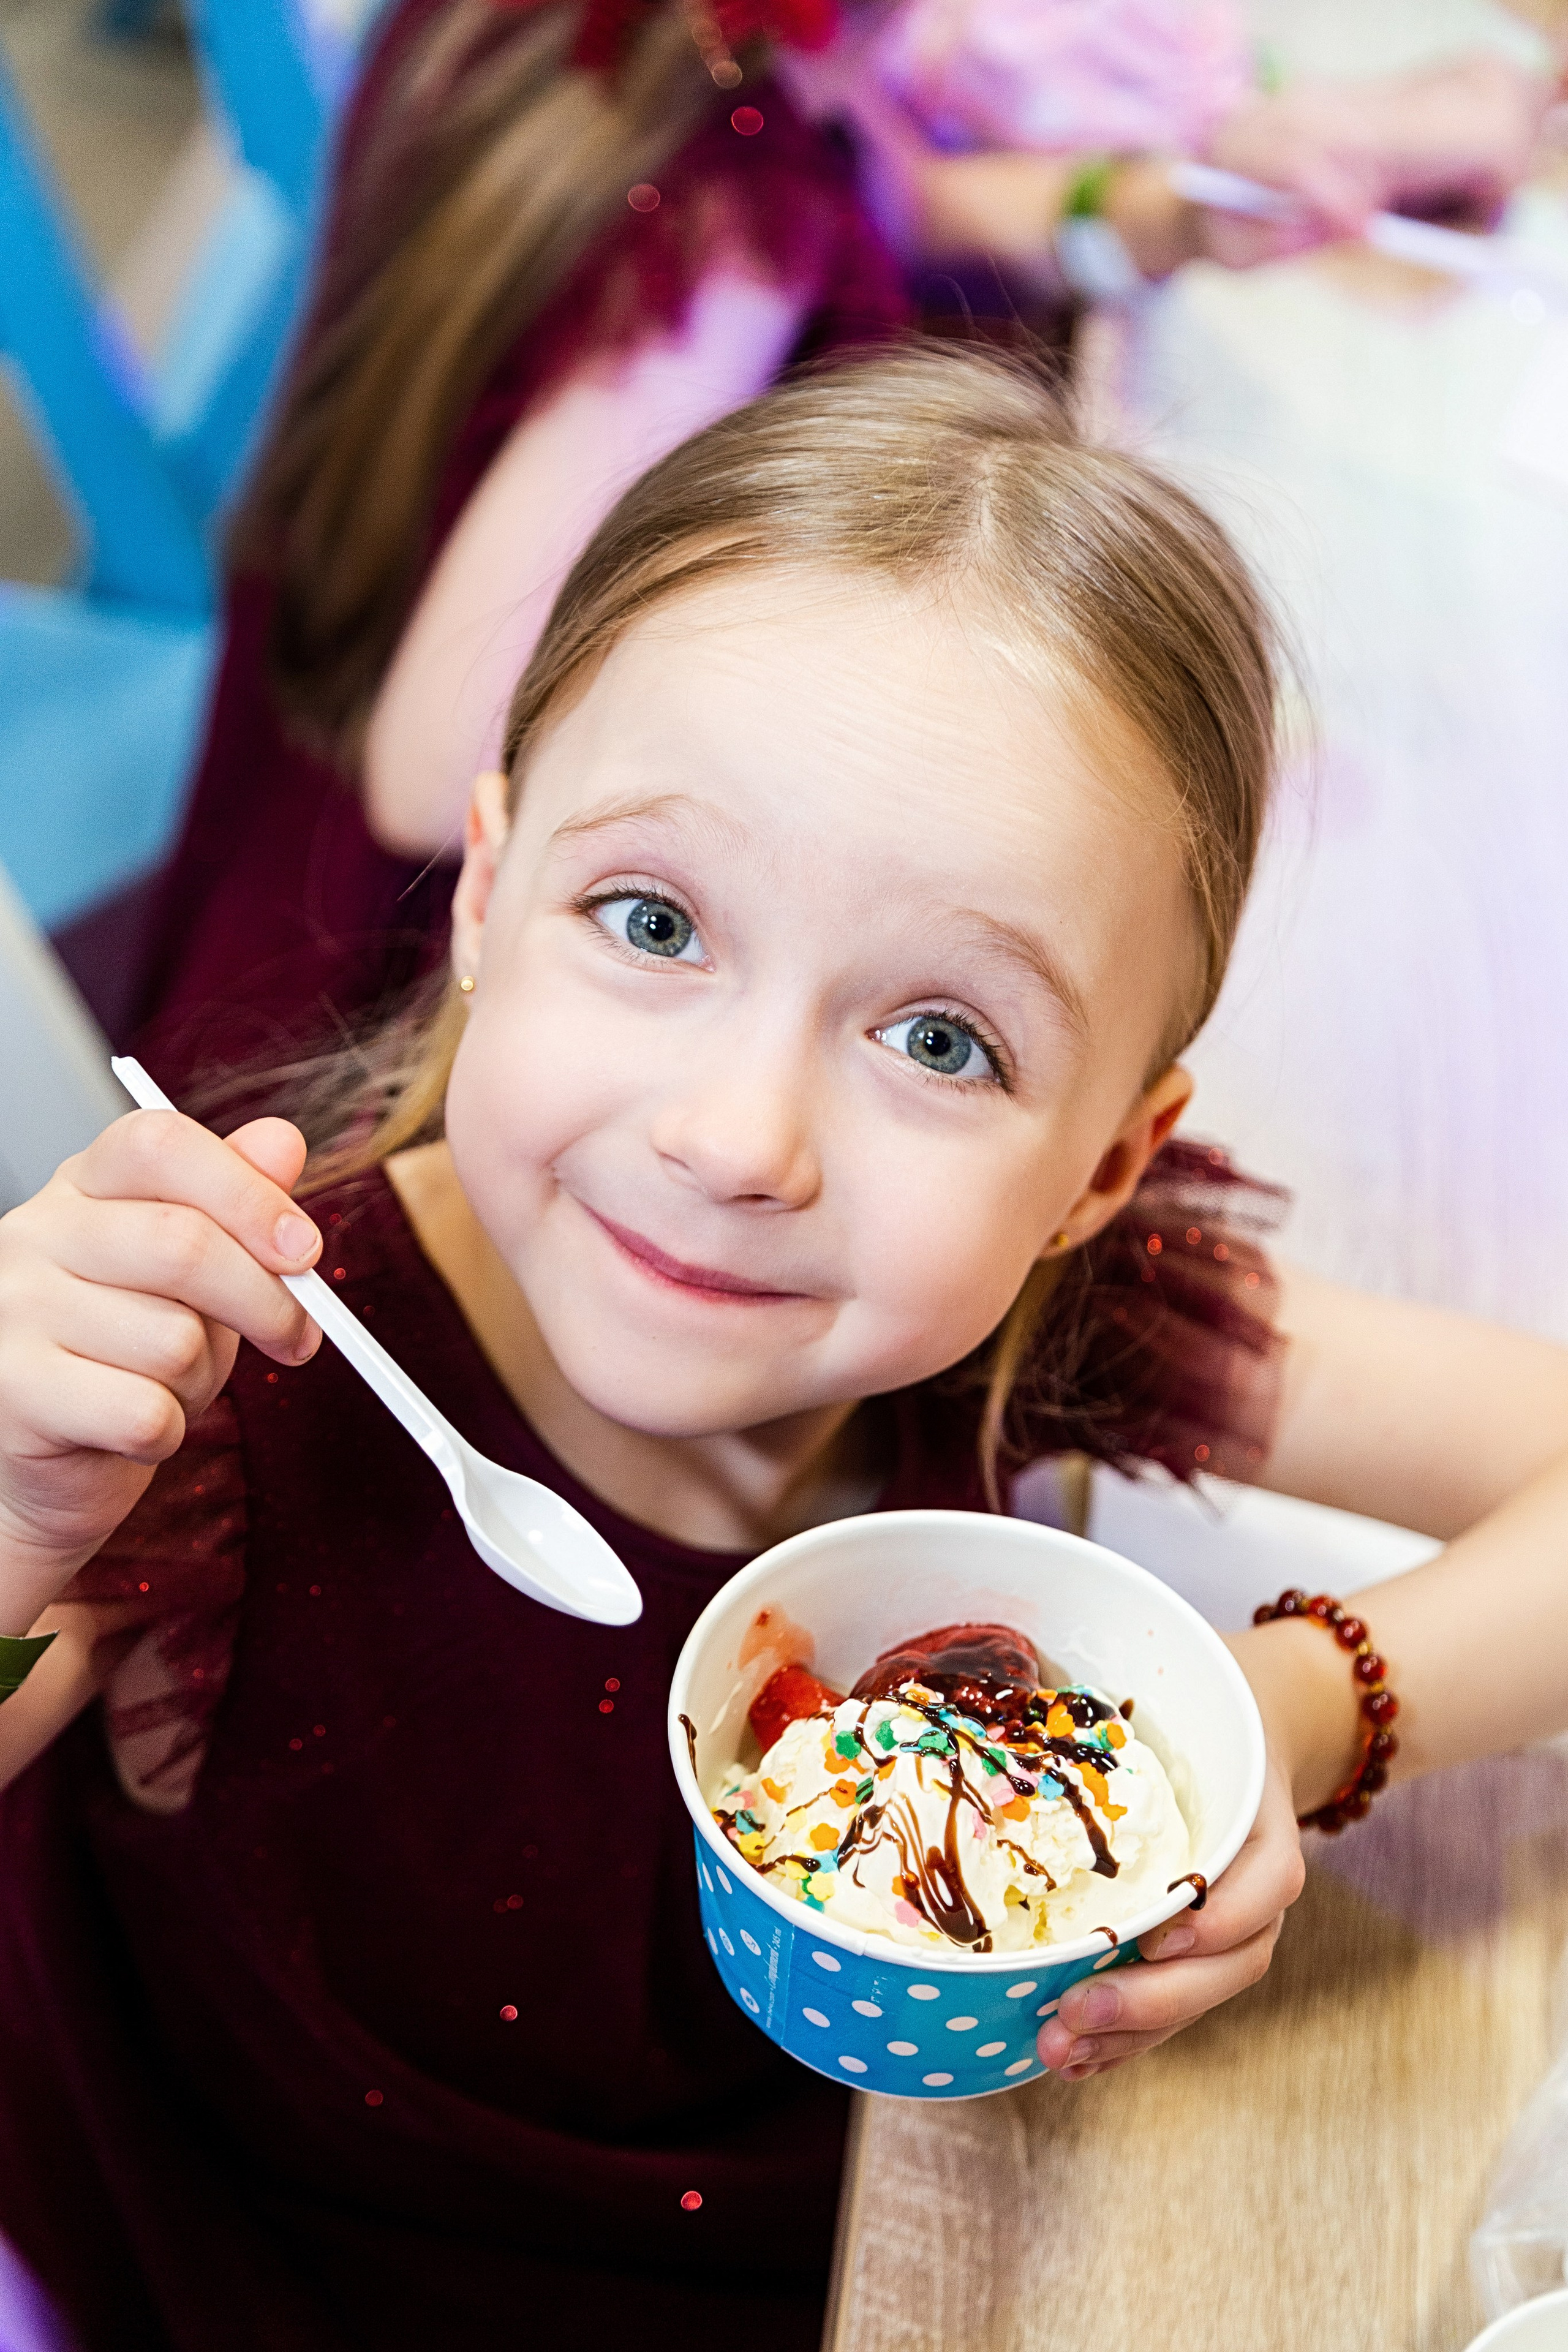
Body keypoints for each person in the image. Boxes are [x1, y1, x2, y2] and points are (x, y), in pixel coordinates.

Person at [6, 345, 1568, 2347]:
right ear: (489, 891)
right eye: (652, 922)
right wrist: (16, 1509)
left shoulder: (1049, 1316)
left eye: (941, 1039)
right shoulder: (224, 1393)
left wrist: (1276, 1711)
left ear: (1103, 1164)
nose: (736, 1141)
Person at [102, 0, 1552, 1079]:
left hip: (304, 764)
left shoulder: (672, 57)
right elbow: (434, 777)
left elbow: (898, 196)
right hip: (444, 1002)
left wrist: (1167, 210)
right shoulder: (728, 231)